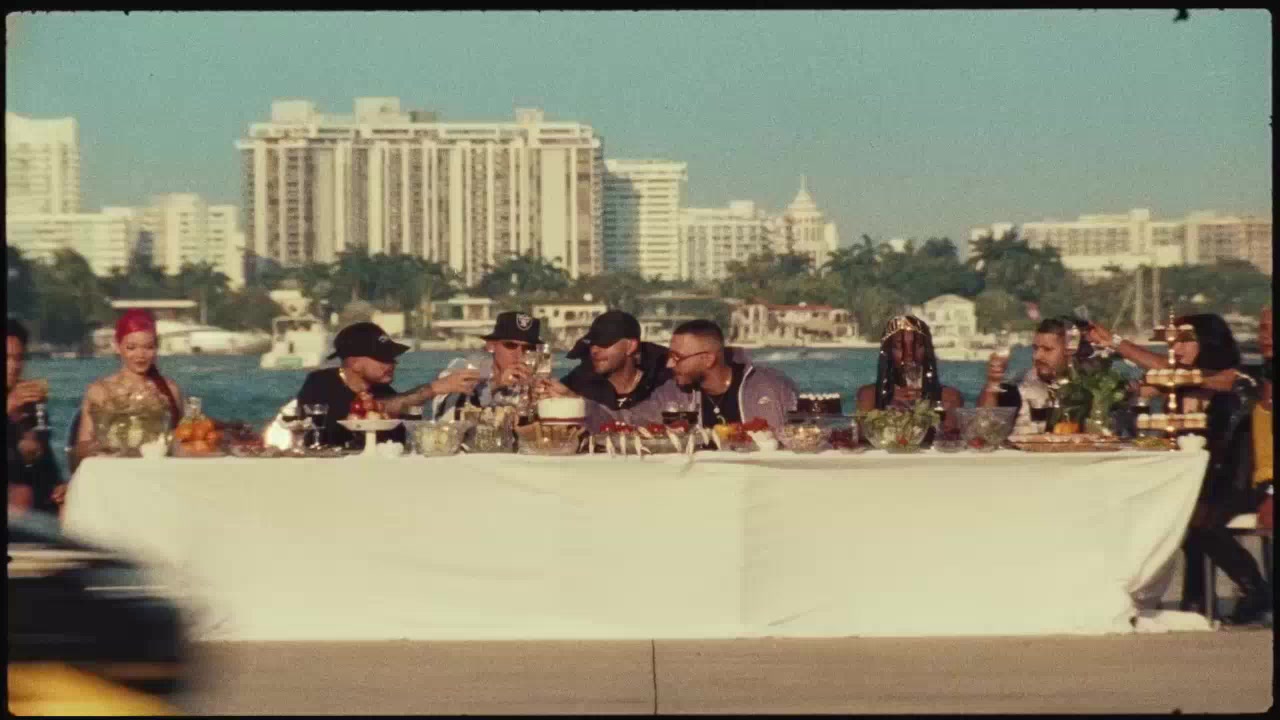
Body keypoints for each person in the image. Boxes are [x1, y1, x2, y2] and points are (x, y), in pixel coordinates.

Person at [1093, 314, 1271, 624]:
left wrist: (1119, 343)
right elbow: (1159, 381)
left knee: (1198, 522)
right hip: (1203, 479)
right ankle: (1195, 598)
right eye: (1174, 341)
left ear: (1208, 342)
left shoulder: (1239, 377)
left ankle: (1255, 590)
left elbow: (1183, 374)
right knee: (1176, 518)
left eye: (1185, 341)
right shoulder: (1180, 385)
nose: (1176, 348)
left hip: (1240, 479)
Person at [295, 321, 481, 449]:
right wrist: (433, 389)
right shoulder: (321, 383)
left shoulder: (384, 390)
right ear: (355, 363)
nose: (392, 364)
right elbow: (357, 414)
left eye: (392, 357)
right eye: (383, 358)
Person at [645, 319, 797, 432]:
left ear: (708, 360)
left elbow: (794, 436)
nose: (669, 364)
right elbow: (636, 419)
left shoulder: (770, 386)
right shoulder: (671, 393)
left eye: (677, 357)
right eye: (670, 356)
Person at [535, 310, 673, 432]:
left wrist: (579, 405)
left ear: (630, 346)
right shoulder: (580, 381)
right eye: (592, 344)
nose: (594, 350)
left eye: (604, 343)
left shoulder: (662, 382)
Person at [75, 310, 183, 462]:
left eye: (148, 347)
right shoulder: (99, 391)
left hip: (156, 470)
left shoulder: (169, 390)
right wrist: (97, 448)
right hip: (111, 469)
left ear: (156, 348)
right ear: (117, 347)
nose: (141, 355)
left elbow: (182, 439)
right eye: (131, 348)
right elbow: (81, 447)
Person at [431, 311, 541, 421]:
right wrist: (495, 385)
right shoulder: (465, 368)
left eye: (529, 348)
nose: (519, 354)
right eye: (510, 345)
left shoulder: (533, 380)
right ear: (491, 345)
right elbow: (449, 416)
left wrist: (543, 402)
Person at [7, 318, 64, 515]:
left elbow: (45, 461)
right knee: (22, 494)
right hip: (17, 494)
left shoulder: (30, 403)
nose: (13, 366)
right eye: (6, 358)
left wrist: (58, 485)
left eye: (18, 358)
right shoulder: (15, 401)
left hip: (30, 491)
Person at [977, 318, 1072, 434]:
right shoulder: (1016, 390)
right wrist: (992, 383)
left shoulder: (1085, 389)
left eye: (1047, 349)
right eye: (1035, 348)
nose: (1037, 356)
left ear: (1070, 352)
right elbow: (984, 433)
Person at [855, 315, 964, 414]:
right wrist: (889, 404)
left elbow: (951, 428)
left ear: (927, 351)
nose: (909, 354)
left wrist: (931, 406)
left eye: (917, 345)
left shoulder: (950, 398)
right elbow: (864, 429)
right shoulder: (869, 397)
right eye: (900, 346)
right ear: (888, 351)